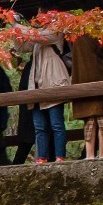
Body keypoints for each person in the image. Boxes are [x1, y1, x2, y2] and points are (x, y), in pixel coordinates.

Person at [23, 29, 70, 162]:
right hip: (37, 87)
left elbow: (40, 37)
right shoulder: (36, 39)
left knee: (56, 124)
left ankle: (60, 156)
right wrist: (15, 33)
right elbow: (21, 46)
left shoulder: (55, 31)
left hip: (53, 84)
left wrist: (16, 25)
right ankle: (41, 158)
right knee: (39, 127)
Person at [71, 37, 103, 159]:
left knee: (90, 121)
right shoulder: (97, 33)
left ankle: (89, 155)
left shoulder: (75, 36)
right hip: (101, 77)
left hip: (82, 79)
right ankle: (102, 154)